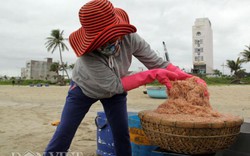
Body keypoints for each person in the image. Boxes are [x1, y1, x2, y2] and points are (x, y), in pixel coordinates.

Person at [44, 0, 207, 155]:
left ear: (119, 30)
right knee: (64, 132)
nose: (108, 44)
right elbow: (114, 85)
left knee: (122, 135)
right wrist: (153, 75)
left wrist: (187, 78)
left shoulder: (130, 38)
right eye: (101, 41)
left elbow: (157, 63)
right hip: (84, 89)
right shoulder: (88, 56)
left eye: (111, 37)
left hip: (115, 92)